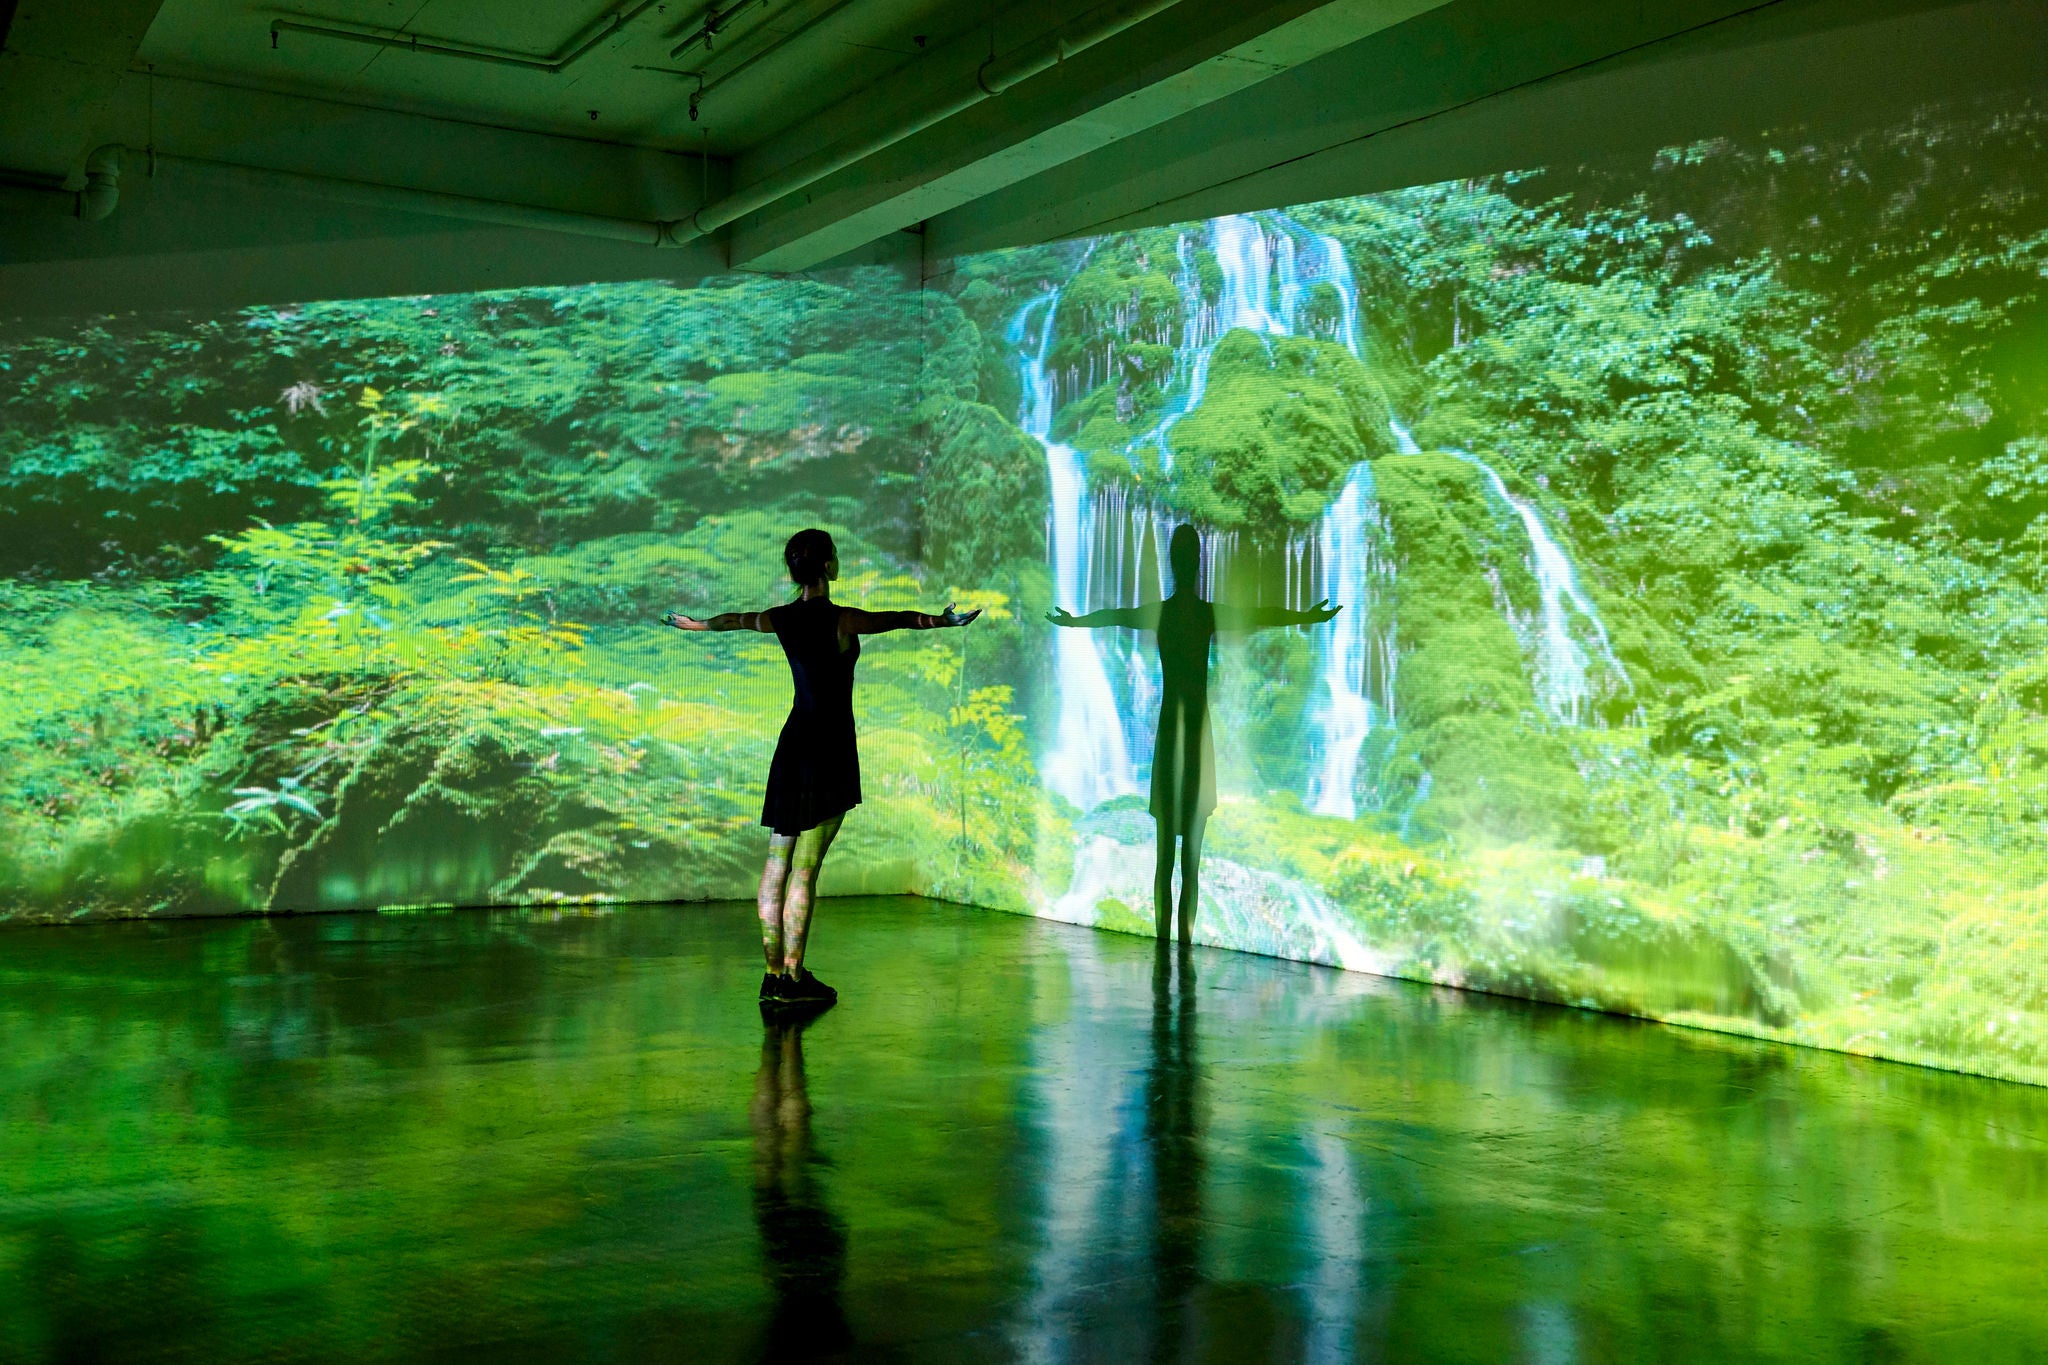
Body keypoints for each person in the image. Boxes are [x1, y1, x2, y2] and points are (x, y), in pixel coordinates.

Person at [665, 528, 978, 1011]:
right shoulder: (840, 619)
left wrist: (699, 626)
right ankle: (791, 975)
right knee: (805, 873)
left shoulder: (780, 619)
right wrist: (944, 620)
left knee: (776, 866)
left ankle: (774, 976)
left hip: (792, 748)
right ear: (829, 565)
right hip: (828, 751)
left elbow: (737, 620)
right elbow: (897, 619)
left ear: (793, 571)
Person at [1049, 523, 1337, 942]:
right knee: (1192, 862)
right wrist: (1307, 617)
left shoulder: (1164, 613)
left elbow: (1116, 617)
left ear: (1171, 563)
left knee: (1164, 858)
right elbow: (1260, 616)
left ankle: (1164, 939)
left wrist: (1075, 623)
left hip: (1170, 735)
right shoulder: (1205, 614)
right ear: (1199, 564)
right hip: (1198, 739)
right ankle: (1184, 940)